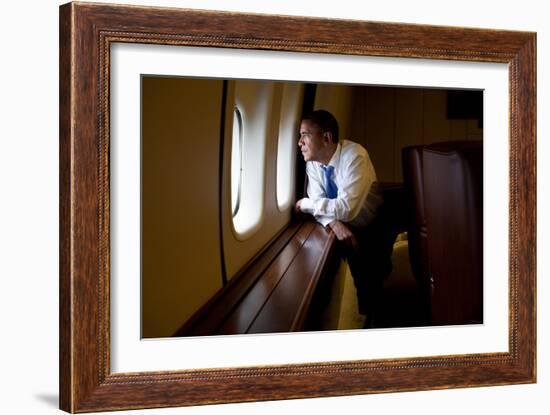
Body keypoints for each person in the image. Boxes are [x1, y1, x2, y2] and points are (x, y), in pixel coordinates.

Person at [295, 109, 394, 327]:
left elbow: (346, 208)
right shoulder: (312, 163)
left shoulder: (355, 156)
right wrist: (332, 222)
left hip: (372, 224)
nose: (299, 142)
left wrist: (306, 204)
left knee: (375, 284)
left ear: (327, 137)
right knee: (355, 283)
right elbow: (323, 206)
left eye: (305, 135)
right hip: (344, 224)